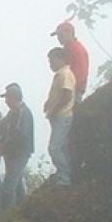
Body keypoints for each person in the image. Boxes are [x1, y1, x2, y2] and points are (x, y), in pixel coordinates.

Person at [0, 82, 35, 210]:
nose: (6, 101)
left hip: (19, 153)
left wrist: (4, 145)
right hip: (11, 153)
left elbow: (20, 135)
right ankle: (22, 210)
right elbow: (1, 126)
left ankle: (5, 216)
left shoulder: (23, 112)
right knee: (17, 184)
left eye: (7, 98)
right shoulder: (12, 113)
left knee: (8, 187)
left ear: (14, 97)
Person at [44, 47, 75, 186]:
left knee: (54, 147)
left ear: (60, 59)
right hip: (57, 116)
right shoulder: (60, 74)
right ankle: (65, 174)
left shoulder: (65, 74)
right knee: (62, 147)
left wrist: (54, 110)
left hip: (62, 116)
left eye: (52, 61)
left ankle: (64, 177)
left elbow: (67, 95)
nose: (50, 64)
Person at [52, 21, 90, 103]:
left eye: (61, 35)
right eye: (58, 35)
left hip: (72, 91)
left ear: (69, 33)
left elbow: (80, 74)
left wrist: (67, 90)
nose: (58, 38)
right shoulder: (69, 48)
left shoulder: (75, 49)